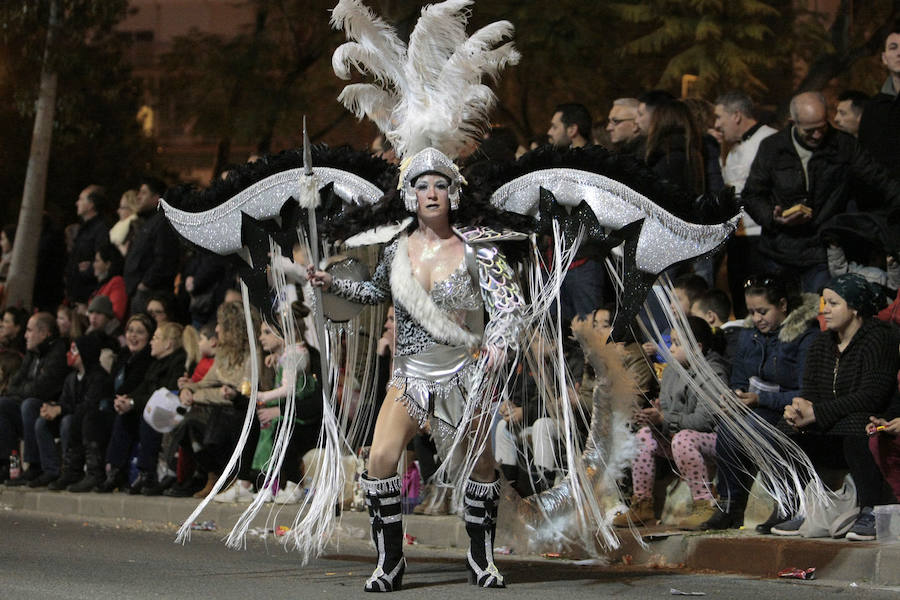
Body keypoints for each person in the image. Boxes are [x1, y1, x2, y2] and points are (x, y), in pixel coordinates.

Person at [307, 148, 526, 590]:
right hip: (410, 376)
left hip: (466, 374)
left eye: (440, 185)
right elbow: (374, 292)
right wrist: (333, 284)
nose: (431, 193)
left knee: (481, 467)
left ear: (454, 193)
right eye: (422, 185)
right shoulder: (396, 251)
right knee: (381, 459)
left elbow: (510, 307)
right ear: (409, 196)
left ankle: (480, 556)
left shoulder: (477, 250)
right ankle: (390, 561)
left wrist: (499, 344)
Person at [776, 274, 899, 541]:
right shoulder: (822, 343)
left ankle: (871, 510)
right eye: (824, 302)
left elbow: (871, 396)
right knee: (784, 429)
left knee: (859, 425)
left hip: (864, 420)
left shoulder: (879, 338)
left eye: (833, 303)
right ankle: (797, 507)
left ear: (854, 307)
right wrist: (798, 410)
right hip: (833, 424)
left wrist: (816, 413)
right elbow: (810, 393)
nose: (825, 309)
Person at [742, 91, 900, 294]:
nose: (817, 135)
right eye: (810, 131)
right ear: (793, 122)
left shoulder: (844, 145)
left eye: (822, 128)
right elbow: (752, 195)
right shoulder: (772, 148)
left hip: (822, 252)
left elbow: (880, 180)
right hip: (778, 251)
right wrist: (773, 217)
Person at [700, 275, 820, 531]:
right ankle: (731, 505)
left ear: (783, 305)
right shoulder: (749, 336)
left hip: (787, 411)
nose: (756, 318)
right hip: (755, 408)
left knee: (756, 428)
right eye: (751, 312)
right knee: (728, 430)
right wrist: (734, 396)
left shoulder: (805, 337)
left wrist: (760, 399)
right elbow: (739, 377)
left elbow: (805, 391)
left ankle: (787, 500)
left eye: (763, 311)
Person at [613, 317, 728, 530]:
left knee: (683, 440)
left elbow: (704, 421)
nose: (671, 349)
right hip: (677, 434)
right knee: (643, 437)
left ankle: (705, 503)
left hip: (713, 440)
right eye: (671, 342)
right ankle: (642, 503)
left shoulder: (712, 372)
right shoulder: (671, 371)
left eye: (677, 343)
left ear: (697, 348)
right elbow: (666, 411)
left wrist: (665, 419)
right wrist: (655, 417)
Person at [100, 321, 186, 495]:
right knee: (124, 415)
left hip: (170, 412)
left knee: (147, 417)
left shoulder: (178, 362)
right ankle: (116, 470)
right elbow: (143, 389)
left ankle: (148, 474)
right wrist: (127, 400)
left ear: (168, 343)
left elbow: (164, 396)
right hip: (152, 407)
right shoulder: (155, 363)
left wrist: (133, 403)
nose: (151, 342)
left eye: (156, 338)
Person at [713, 91, 777, 317]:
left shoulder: (770, 140)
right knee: (739, 297)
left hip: (761, 235)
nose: (717, 124)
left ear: (737, 116)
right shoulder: (733, 149)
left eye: (720, 117)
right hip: (737, 236)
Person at [0, 313, 69, 485]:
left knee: (29, 405)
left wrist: (23, 390)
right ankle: (9, 465)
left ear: (44, 333)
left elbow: (41, 390)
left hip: (51, 410)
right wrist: (24, 390)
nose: (25, 335)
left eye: (30, 331)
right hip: (28, 405)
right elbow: (13, 384)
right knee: (3, 404)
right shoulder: (33, 352)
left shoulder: (58, 353)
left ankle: (35, 465)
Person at [92, 314, 155, 492]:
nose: (133, 336)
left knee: (124, 418)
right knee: (93, 416)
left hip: (137, 407)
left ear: (149, 336)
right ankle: (97, 472)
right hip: (119, 403)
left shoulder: (148, 357)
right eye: (130, 331)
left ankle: (117, 472)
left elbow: (138, 385)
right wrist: (115, 400)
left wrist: (124, 401)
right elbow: (110, 383)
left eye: (140, 332)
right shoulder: (124, 354)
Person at [45, 333, 113, 491]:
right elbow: (65, 401)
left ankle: (87, 471)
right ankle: (57, 470)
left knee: (74, 420)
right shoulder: (71, 378)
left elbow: (89, 404)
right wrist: (51, 408)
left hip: (94, 421)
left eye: (74, 350)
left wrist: (61, 409)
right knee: (43, 422)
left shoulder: (99, 377)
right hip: (76, 418)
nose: (69, 354)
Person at [123, 177, 180, 314]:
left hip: (150, 295)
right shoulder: (149, 222)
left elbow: (164, 259)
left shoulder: (162, 223)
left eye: (143, 193)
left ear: (156, 198)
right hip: (140, 293)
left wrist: (145, 284)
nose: (138, 196)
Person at [858, 24, 900, 181]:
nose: (899, 53)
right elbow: (866, 160)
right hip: (884, 201)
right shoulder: (873, 108)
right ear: (884, 58)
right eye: (893, 47)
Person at [65, 185, 110, 309]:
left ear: (91, 204)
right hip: (76, 293)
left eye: (81, 199)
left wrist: (88, 269)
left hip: (87, 295)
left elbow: (102, 257)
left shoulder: (100, 229)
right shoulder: (84, 229)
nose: (77, 203)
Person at [90, 243, 128, 322]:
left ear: (107, 264)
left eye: (97, 261)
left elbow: (117, 313)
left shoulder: (117, 282)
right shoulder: (103, 285)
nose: (94, 265)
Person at [110, 189, 139, 256]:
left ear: (132, 208)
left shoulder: (135, 226)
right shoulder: (120, 226)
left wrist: (120, 247)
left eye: (122, 207)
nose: (118, 211)